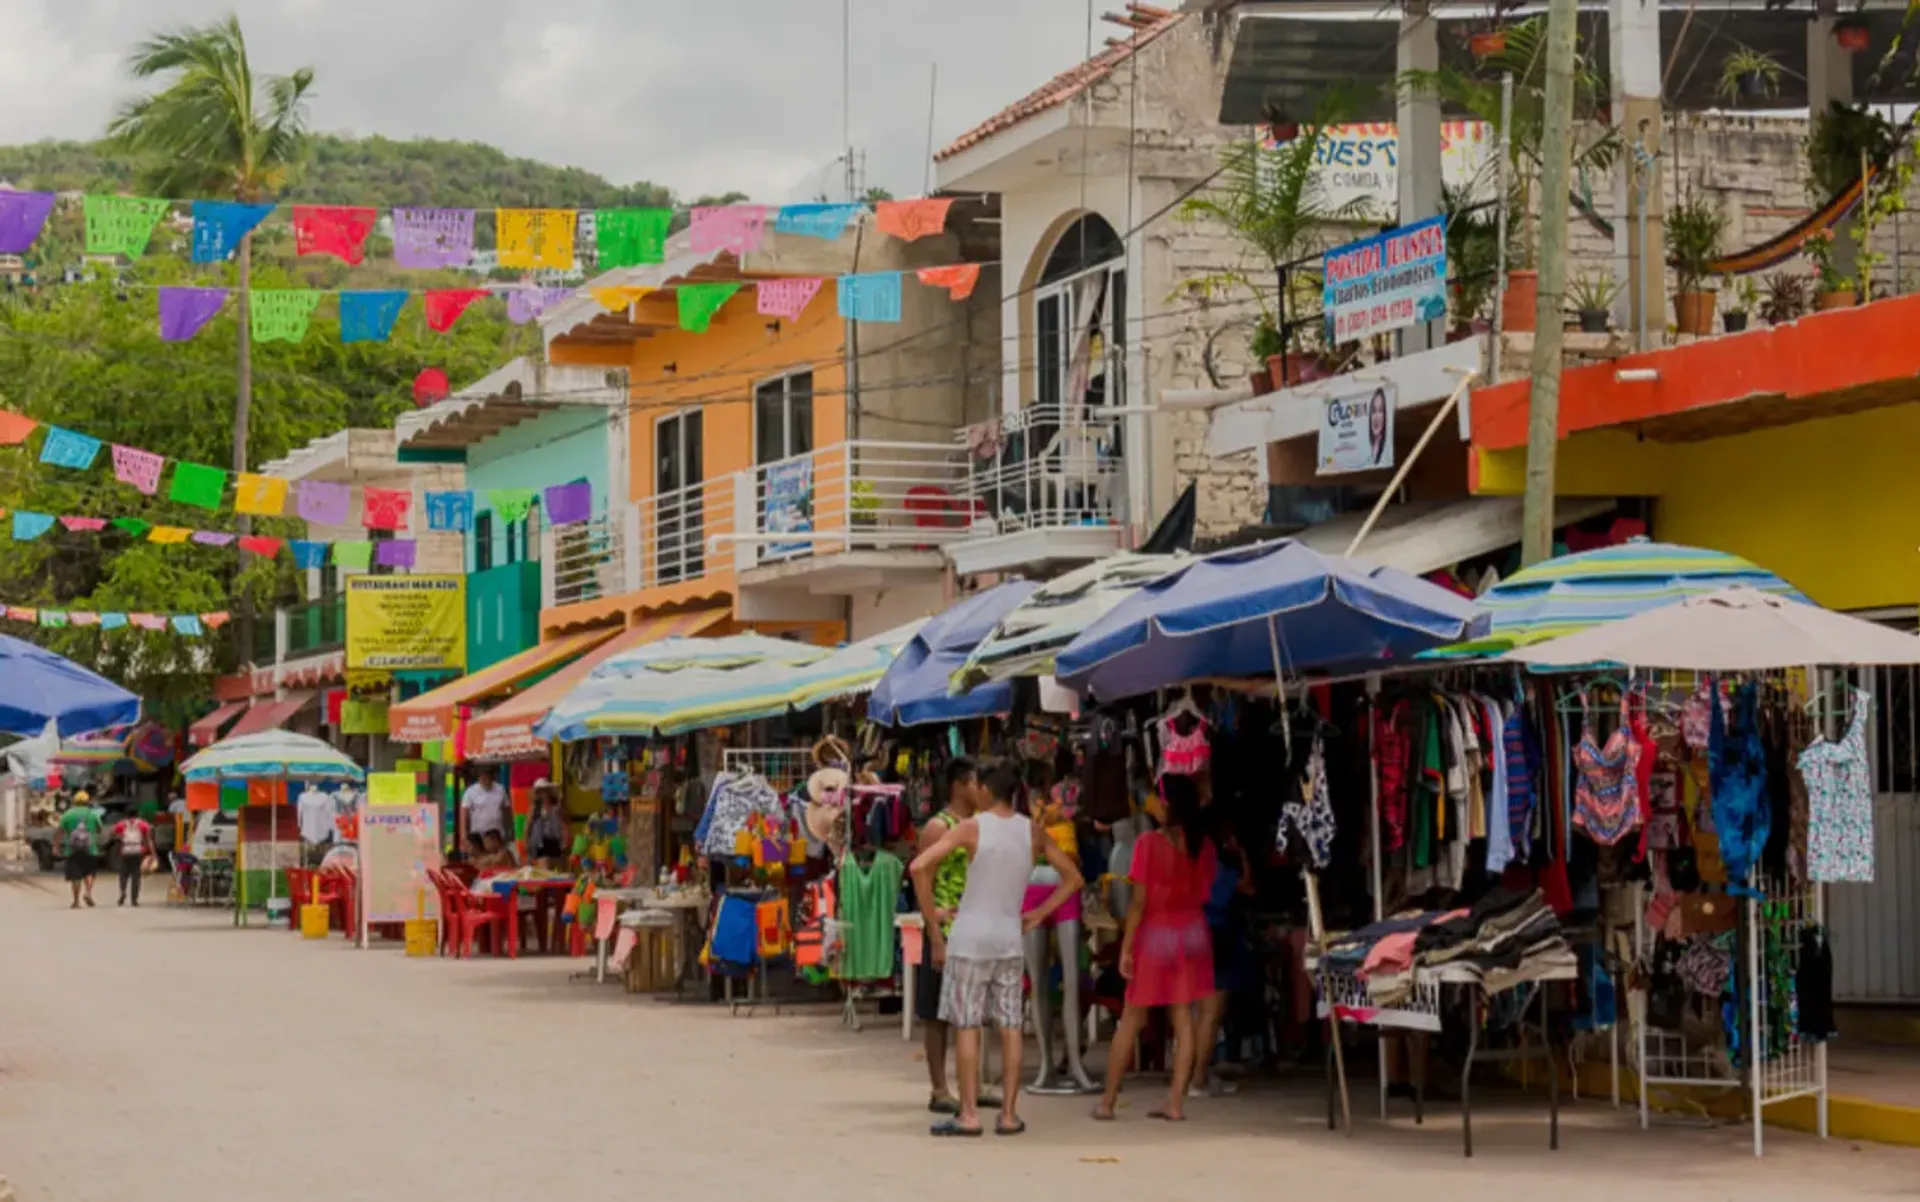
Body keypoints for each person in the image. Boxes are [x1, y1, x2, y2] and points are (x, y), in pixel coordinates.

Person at [912, 759, 1082, 1138]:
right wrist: (1037, 914)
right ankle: (1008, 1114)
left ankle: (969, 1115)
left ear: (986, 790)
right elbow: (1073, 878)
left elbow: (920, 866)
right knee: (1009, 1026)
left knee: (968, 1026)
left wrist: (933, 918)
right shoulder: (1032, 831)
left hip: (969, 937)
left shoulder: (972, 828)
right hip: (1009, 939)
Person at [1094, 774, 1218, 1122]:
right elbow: (1206, 892)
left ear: (1168, 803)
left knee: (1132, 1017)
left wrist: (1126, 948)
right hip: (1194, 933)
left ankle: (1107, 1103)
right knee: (1184, 1017)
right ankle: (1176, 1103)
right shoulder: (1202, 845)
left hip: (1158, 935)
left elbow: (1138, 903)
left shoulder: (1149, 843)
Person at [916, 757, 984, 1117]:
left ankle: (972, 1084)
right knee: (936, 1013)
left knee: (970, 1010)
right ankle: (940, 1088)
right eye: (975, 781)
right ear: (960, 785)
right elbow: (922, 879)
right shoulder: (937, 827)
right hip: (943, 929)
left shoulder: (976, 826)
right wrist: (934, 933)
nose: (980, 789)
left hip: (971, 927)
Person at [1193, 813, 1255, 1097]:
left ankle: (1194, 1073)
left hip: (1194, 936)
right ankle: (1198, 1078)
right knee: (1211, 1014)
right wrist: (1243, 856)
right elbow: (1248, 887)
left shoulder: (1193, 862)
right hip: (1218, 938)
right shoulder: (1217, 866)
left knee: (1195, 1014)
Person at [59, 795, 103, 909]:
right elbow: (99, 829)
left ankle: (76, 902)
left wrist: (55, 846)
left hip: (72, 850)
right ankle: (88, 893)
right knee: (89, 873)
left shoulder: (67, 814)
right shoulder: (92, 814)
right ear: (87, 802)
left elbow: (60, 830)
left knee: (75, 876)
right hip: (90, 849)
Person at [109, 808, 155, 907]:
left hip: (125, 851)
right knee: (136, 876)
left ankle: (123, 892)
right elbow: (148, 840)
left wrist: (120, 837)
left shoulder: (121, 824)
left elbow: (111, 833)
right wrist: (153, 854)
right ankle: (134, 899)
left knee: (123, 874)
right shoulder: (143, 824)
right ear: (137, 814)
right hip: (138, 851)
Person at [460, 766, 509, 854]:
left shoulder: (500, 789)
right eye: (483, 777)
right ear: (479, 777)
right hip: (478, 836)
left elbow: (506, 810)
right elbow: (464, 813)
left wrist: (509, 831)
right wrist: (463, 835)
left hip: (497, 835)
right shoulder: (470, 792)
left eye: (488, 777)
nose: (486, 780)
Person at [527, 781, 569, 867]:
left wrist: (566, 840)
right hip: (538, 842)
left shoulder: (557, 808)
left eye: (545, 790)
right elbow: (528, 826)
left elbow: (564, 824)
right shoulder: (534, 809)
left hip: (554, 841)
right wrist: (526, 843)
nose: (543, 794)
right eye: (541, 791)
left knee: (553, 865)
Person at [1368, 387, 1390, 466]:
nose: (1376, 417)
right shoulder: (1369, 447)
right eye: (1374, 411)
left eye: (1380, 410)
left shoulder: (1385, 449)